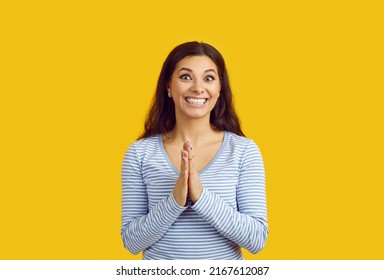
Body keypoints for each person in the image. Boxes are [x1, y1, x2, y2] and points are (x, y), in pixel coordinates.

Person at [121, 41, 268, 259]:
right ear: (168, 87)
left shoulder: (243, 151)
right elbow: (131, 242)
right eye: (185, 77)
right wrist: (175, 200)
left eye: (208, 78)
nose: (198, 88)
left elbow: (256, 239)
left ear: (219, 88)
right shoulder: (139, 154)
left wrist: (201, 197)